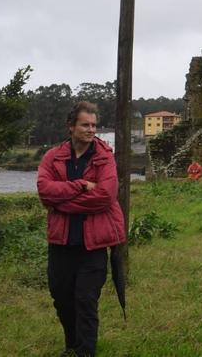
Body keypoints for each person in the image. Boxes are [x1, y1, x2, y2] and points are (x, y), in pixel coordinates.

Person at [37, 101, 126, 357]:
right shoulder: (53, 157)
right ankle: (72, 346)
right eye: (85, 125)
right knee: (62, 299)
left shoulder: (103, 157)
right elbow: (45, 192)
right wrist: (79, 186)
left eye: (94, 125)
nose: (91, 130)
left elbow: (105, 196)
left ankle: (86, 352)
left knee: (86, 301)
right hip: (61, 244)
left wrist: (62, 202)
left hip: (93, 246)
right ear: (71, 126)